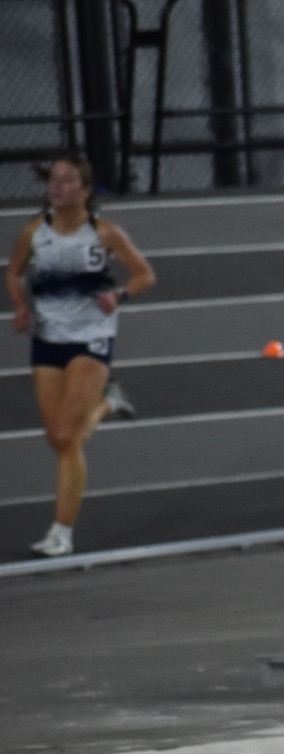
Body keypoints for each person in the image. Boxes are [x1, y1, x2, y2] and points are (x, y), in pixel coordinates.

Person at [7, 152, 152, 558]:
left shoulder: (104, 233)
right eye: (52, 180)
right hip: (48, 338)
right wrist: (20, 305)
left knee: (68, 438)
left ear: (85, 190)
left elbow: (144, 274)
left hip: (91, 338)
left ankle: (61, 532)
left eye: (67, 180)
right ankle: (109, 403)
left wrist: (118, 295)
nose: (56, 187)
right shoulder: (36, 231)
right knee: (58, 437)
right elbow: (14, 271)